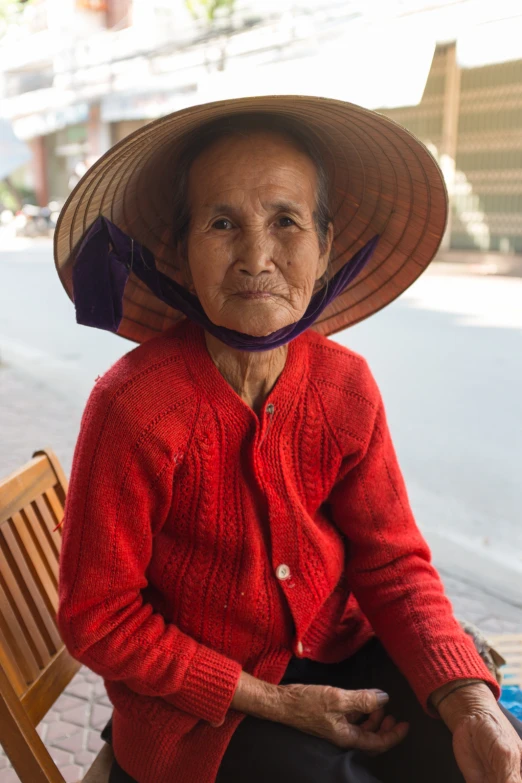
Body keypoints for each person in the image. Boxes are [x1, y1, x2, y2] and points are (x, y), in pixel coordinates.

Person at [53, 97, 522, 783]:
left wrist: (469, 698)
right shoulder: (134, 408)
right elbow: (98, 616)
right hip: (198, 706)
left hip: (340, 653)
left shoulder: (346, 387)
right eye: (221, 223)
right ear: (180, 255)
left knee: (478, 748)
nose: (256, 257)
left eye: (285, 221)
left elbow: (393, 567)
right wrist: (277, 701)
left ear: (326, 245)